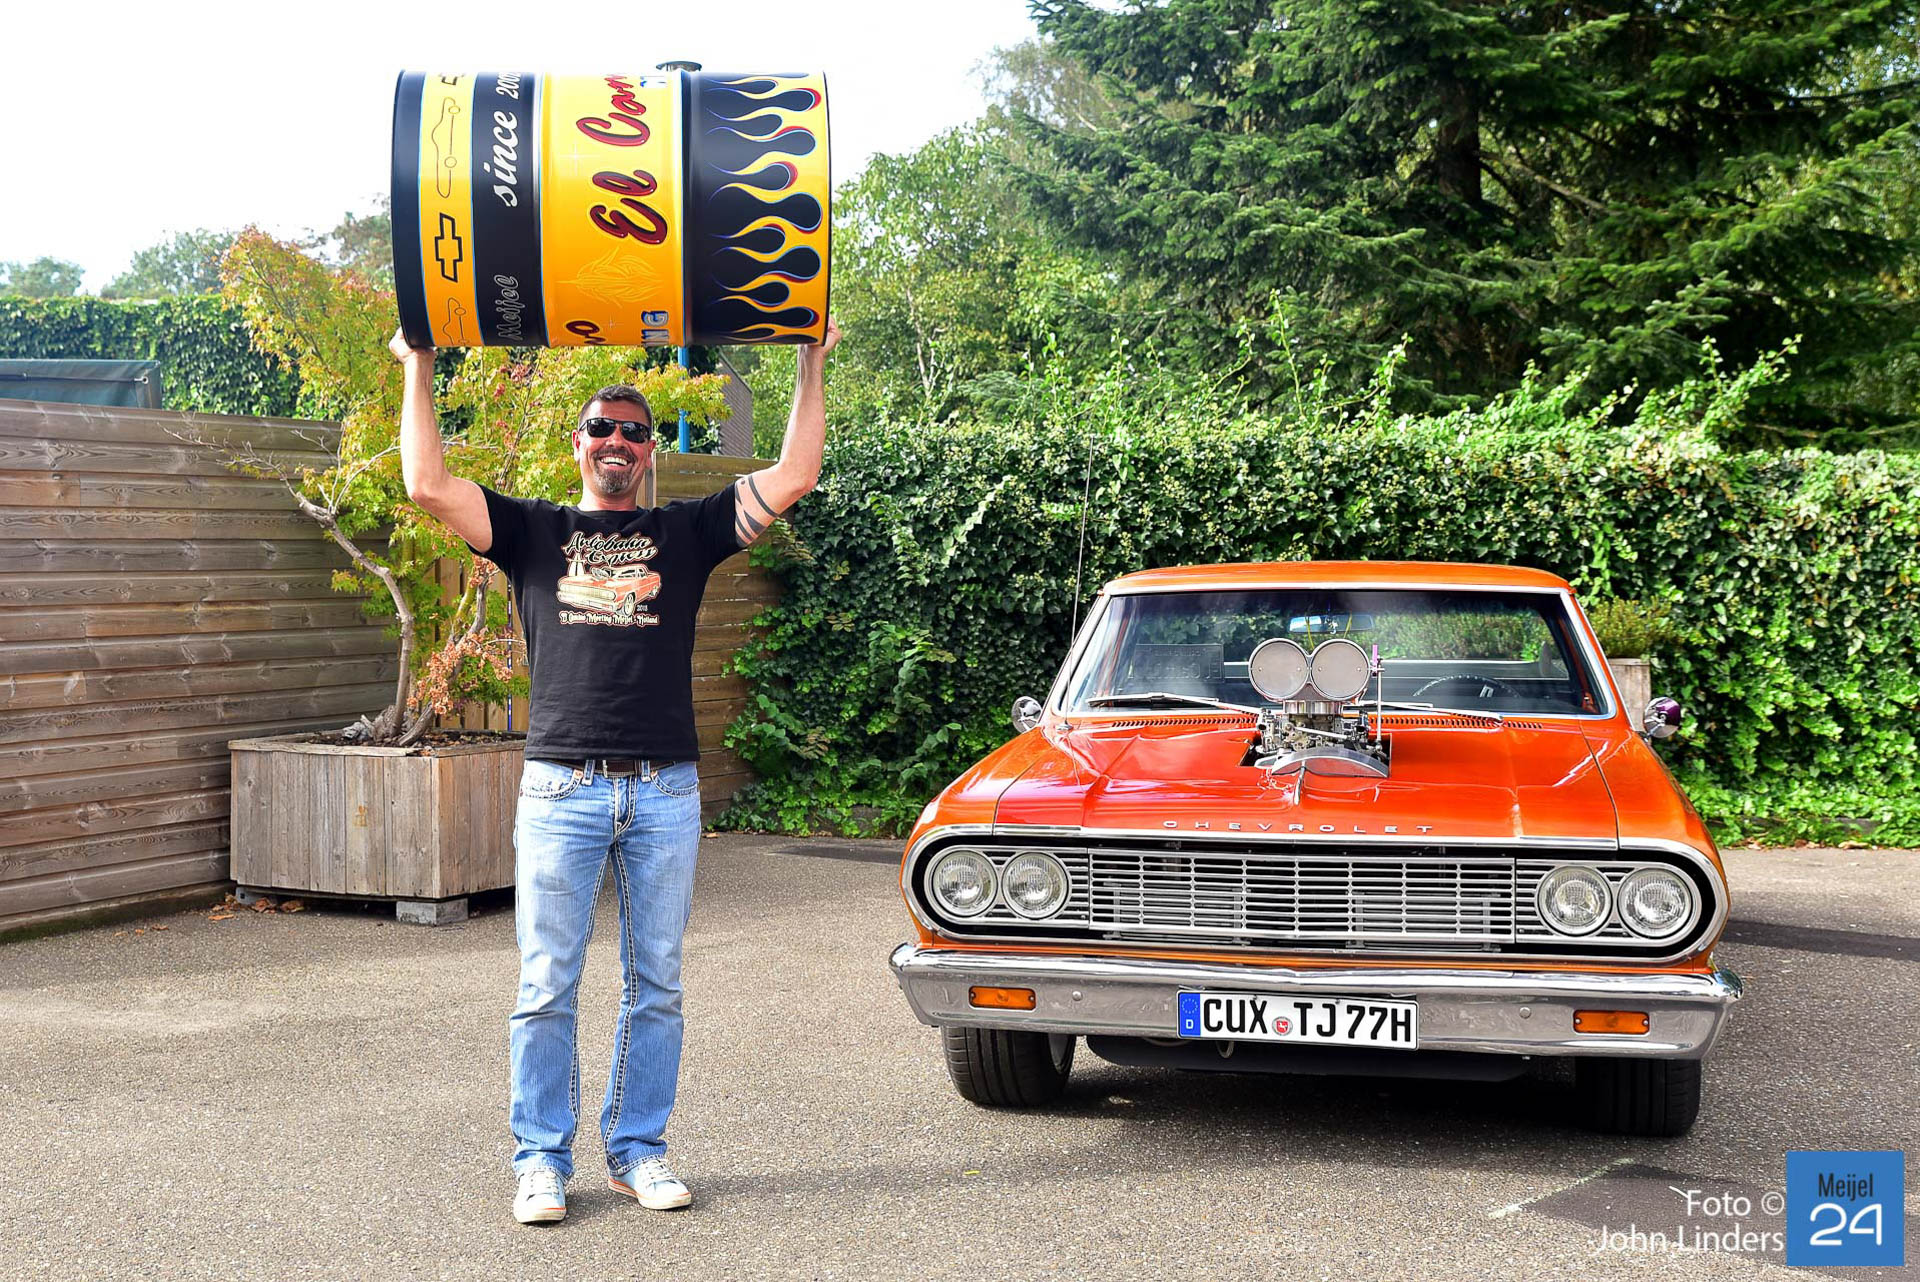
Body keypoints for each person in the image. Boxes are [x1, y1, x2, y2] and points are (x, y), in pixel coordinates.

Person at [390, 320, 840, 1224]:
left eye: (635, 431)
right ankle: (540, 1162)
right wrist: (420, 364)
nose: (619, 441)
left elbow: (795, 474)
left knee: (657, 984)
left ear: (649, 452)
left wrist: (810, 359)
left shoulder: (687, 532)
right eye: (602, 427)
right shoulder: (532, 531)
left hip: (665, 790)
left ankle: (638, 1152)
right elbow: (426, 483)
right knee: (545, 986)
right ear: (579, 443)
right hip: (562, 787)